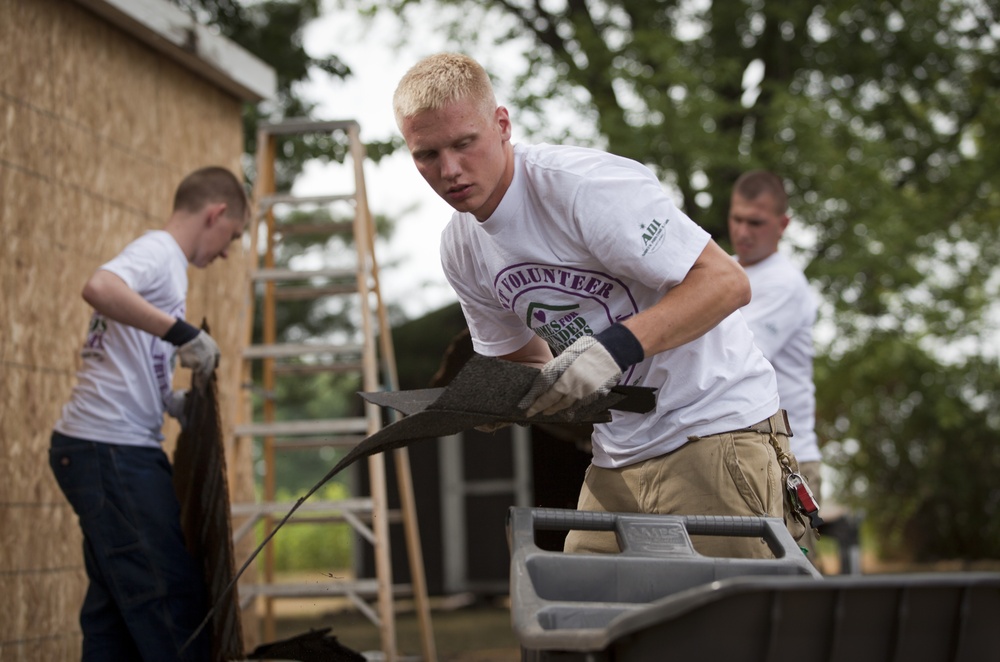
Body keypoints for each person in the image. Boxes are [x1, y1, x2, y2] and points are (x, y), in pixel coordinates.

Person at [393, 52, 802, 559]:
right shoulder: (461, 248)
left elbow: (724, 283)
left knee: (728, 632)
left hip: (715, 431)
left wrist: (611, 351)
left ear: (501, 124)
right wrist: (502, 399)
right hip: (617, 456)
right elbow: (521, 359)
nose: (449, 170)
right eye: (427, 155)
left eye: (463, 143)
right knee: (577, 624)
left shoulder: (584, 188)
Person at [49, 166, 249, 661]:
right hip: (111, 451)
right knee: (171, 603)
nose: (226, 252)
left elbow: (133, 351)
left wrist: (169, 402)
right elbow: (99, 287)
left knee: (114, 616)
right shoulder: (160, 251)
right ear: (216, 213)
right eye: (233, 237)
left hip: (103, 448)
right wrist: (182, 333)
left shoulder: (166, 265)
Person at [728, 169, 823, 559]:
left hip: (789, 456)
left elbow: (733, 353)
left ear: (783, 225)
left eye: (756, 222)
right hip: (744, 449)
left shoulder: (784, 283)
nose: (743, 231)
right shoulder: (723, 270)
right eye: (736, 218)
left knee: (792, 594)